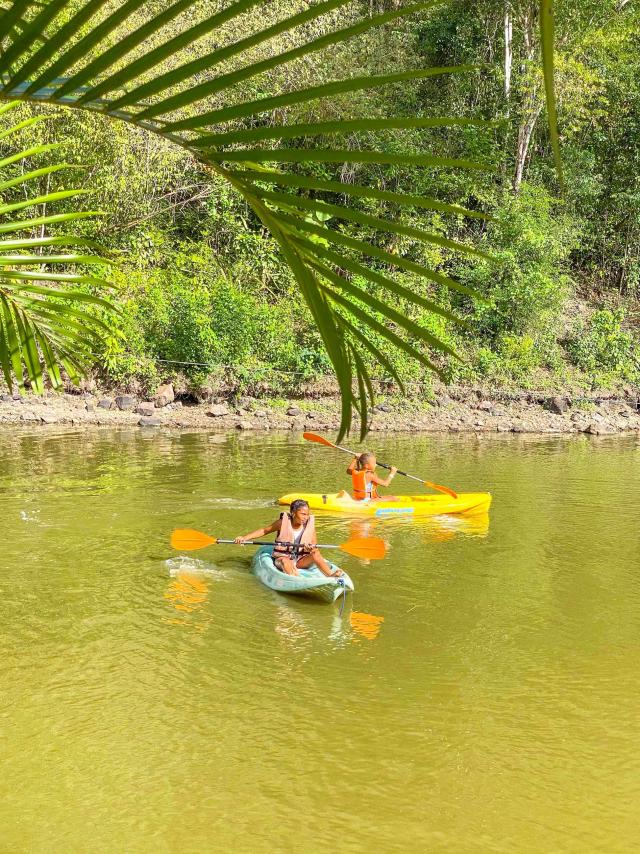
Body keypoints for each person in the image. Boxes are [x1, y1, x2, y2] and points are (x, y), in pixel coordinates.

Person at [234, 498, 343, 578]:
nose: (306, 517)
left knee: (316, 553)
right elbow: (264, 530)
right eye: (303, 514)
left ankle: (331, 575)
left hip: (300, 560)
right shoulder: (282, 523)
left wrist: (310, 548)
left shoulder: (310, 526)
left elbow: (314, 545)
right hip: (283, 558)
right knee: (286, 561)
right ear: (293, 513)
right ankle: (295, 579)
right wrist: (245, 538)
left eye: (307, 514)